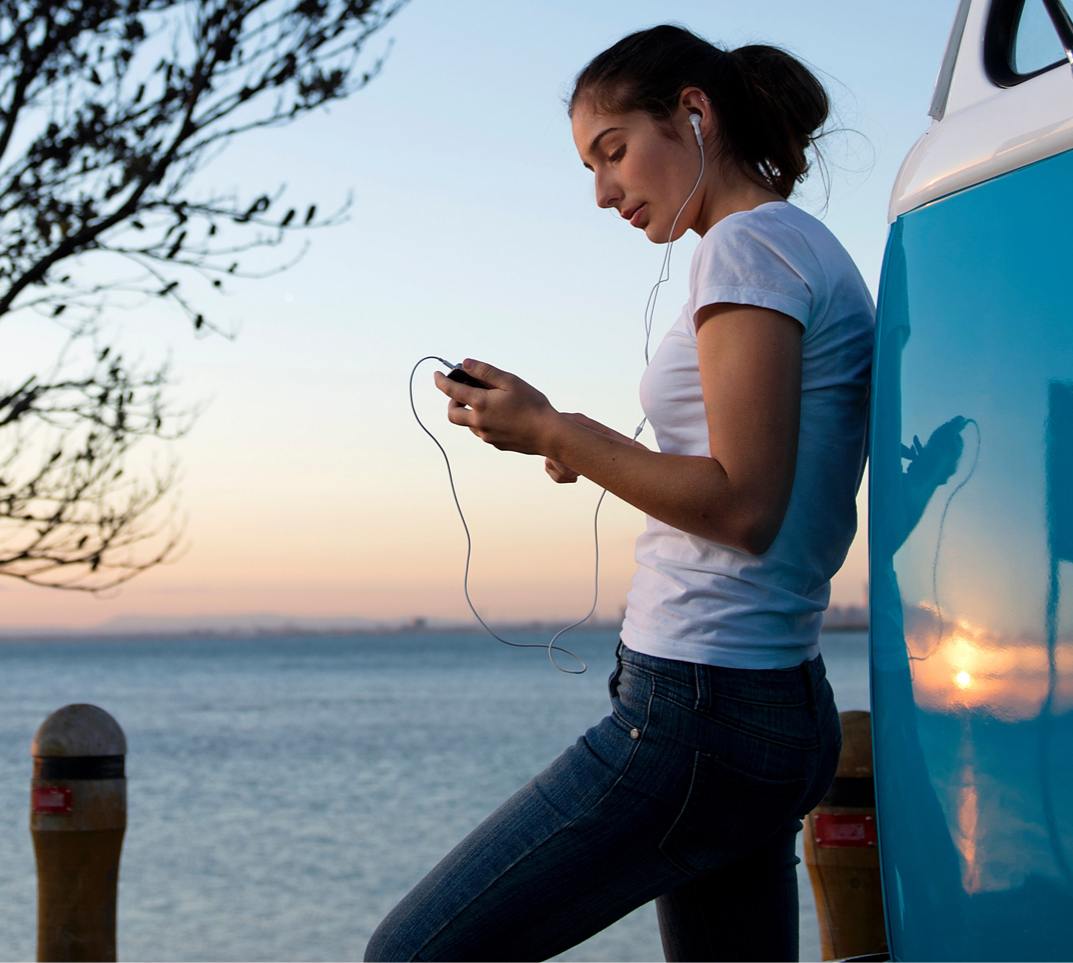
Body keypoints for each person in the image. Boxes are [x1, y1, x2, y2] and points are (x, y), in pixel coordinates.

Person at [365, 24, 875, 963]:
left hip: (700, 710)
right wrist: (568, 440)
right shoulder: (799, 245)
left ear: (692, 110)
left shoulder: (746, 250)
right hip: (765, 698)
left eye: (612, 152)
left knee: (413, 954)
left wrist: (559, 432)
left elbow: (741, 507)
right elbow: (748, 484)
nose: (602, 191)